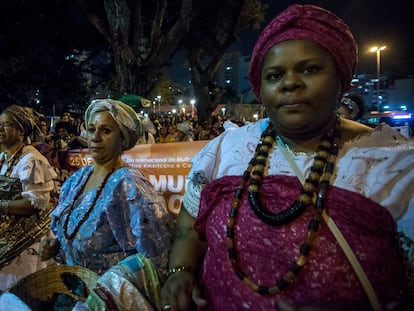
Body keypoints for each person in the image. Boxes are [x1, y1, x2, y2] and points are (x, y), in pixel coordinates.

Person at [160, 4, 414, 311]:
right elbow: (191, 225)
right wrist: (181, 272)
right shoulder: (226, 149)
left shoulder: (392, 165)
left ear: (340, 78)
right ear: (261, 88)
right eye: (275, 74)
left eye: (310, 69)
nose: (290, 83)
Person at [39, 98, 173, 308]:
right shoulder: (77, 179)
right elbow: (72, 230)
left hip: (109, 303)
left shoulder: (130, 185)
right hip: (69, 296)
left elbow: (157, 255)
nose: (95, 137)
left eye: (106, 131)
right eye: (91, 129)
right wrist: (57, 245)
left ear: (123, 138)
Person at [0, 104, 58, 292]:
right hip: (6, 238)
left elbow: (34, 204)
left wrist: (1, 206)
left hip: (26, 245)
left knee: (20, 294)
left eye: (7, 125)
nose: (0, 129)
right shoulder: (4, 158)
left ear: (20, 130)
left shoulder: (31, 160)